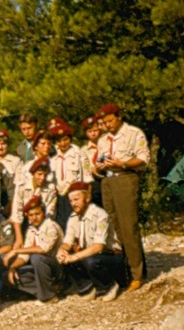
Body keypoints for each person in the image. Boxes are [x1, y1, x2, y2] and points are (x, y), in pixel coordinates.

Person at [94, 103, 149, 291]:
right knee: (115, 228)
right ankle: (126, 270)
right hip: (108, 182)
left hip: (125, 179)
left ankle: (137, 274)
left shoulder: (133, 134)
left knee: (128, 226)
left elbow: (143, 159)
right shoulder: (102, 140)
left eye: (109, 121)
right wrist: (98, 168)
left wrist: (123, 163)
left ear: (119, 117)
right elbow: (99, 161)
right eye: (104, 123)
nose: (107, 125)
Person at [57, 183, 125, 302]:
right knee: (63, 259)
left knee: (90, 261)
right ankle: (87, 287)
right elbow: (67, 241)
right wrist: (62, 250)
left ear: (87, 198)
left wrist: (74, 257)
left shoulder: (100, 215)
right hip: (91, 255)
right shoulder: (73, 217)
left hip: (111, 256)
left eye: (77, 199)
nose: (73, 204)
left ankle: (110, 285)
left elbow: (99, 246)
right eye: (71, 201)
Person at [3, 197, 64, 304]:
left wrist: (16, 251)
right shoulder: (31, 230)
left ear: (43, 214)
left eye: (37, 214)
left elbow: (44, 249)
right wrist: (13, 267)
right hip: (40, 269)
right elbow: (24, 255)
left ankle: (49, 296)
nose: (34, 218)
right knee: (8, 274)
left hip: (56, 267)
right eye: (31, 215)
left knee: (36, 258)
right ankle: (49, 290)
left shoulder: (51, 226)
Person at [9, 158, 57, 248]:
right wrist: (19, 238)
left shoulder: (50, 189)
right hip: (24, 222)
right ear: (33, 174)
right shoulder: (21, 187)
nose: (42, 178)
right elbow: (17, 213)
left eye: (45, 175)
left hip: (42, 223)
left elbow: (50, 213)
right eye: (39, 174)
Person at [48, 117, 83, 229]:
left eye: (65, 140)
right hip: (59, 196)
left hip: (74, 196)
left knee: (76, 226)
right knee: (61, 226)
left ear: (70, 139)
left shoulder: (78, 153)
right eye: (59, 141)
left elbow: (84, 178)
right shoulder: (53, 157)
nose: (62, 144)